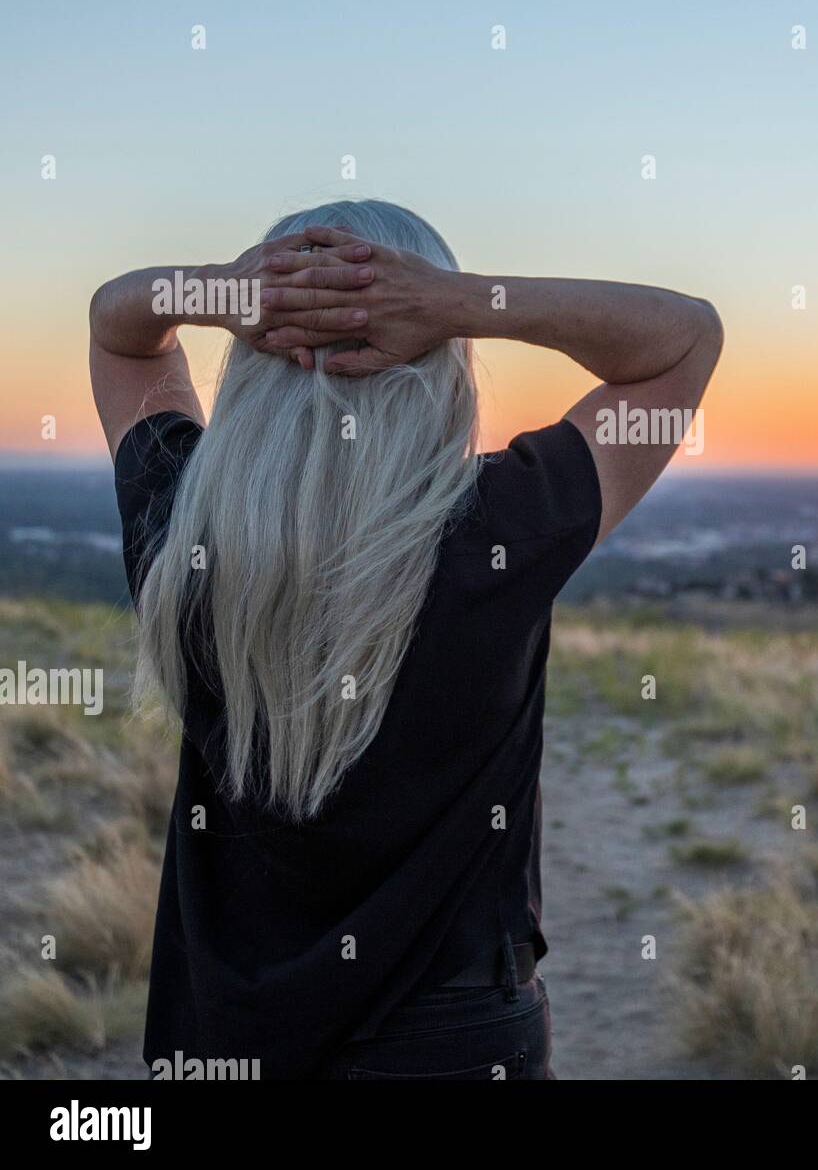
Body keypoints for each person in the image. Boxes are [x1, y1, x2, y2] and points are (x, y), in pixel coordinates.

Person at [88, 199, 723, 1079]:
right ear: (442, 365)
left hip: (219, 1041)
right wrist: (459, 303)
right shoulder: (498, 530)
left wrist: (222, 290)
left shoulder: (180, 523)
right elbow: (686, 337)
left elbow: (119, 332)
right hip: (453, 1046)